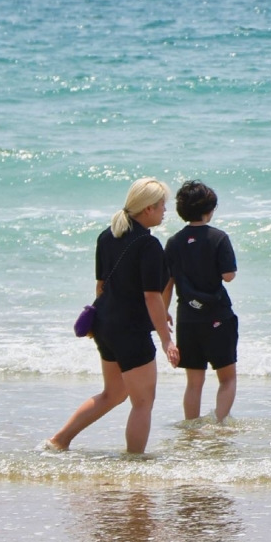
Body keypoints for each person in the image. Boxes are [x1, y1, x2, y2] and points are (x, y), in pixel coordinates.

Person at [47, 178, 179, 454]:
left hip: (105, 324)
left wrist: (158, 312)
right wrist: (167, 340)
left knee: (114, 393)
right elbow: (150, 296)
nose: (165, 211)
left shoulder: (108, 235)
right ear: (148, 209)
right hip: (129, 330)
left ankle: (59, 441)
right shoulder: (148, 244)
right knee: (143, 402)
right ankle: (134, 464)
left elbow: (102, 286)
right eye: (162, 205)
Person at [164, 181, 238, 423]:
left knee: (194, 382)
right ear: (210, 209)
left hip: (187, 318)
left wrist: (164, 312)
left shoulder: (173, 242)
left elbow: (168, 283)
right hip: (217, 316)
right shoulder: (219, 237)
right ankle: (219, 424)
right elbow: (228, 276)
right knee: (226, 378)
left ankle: (192, 428)